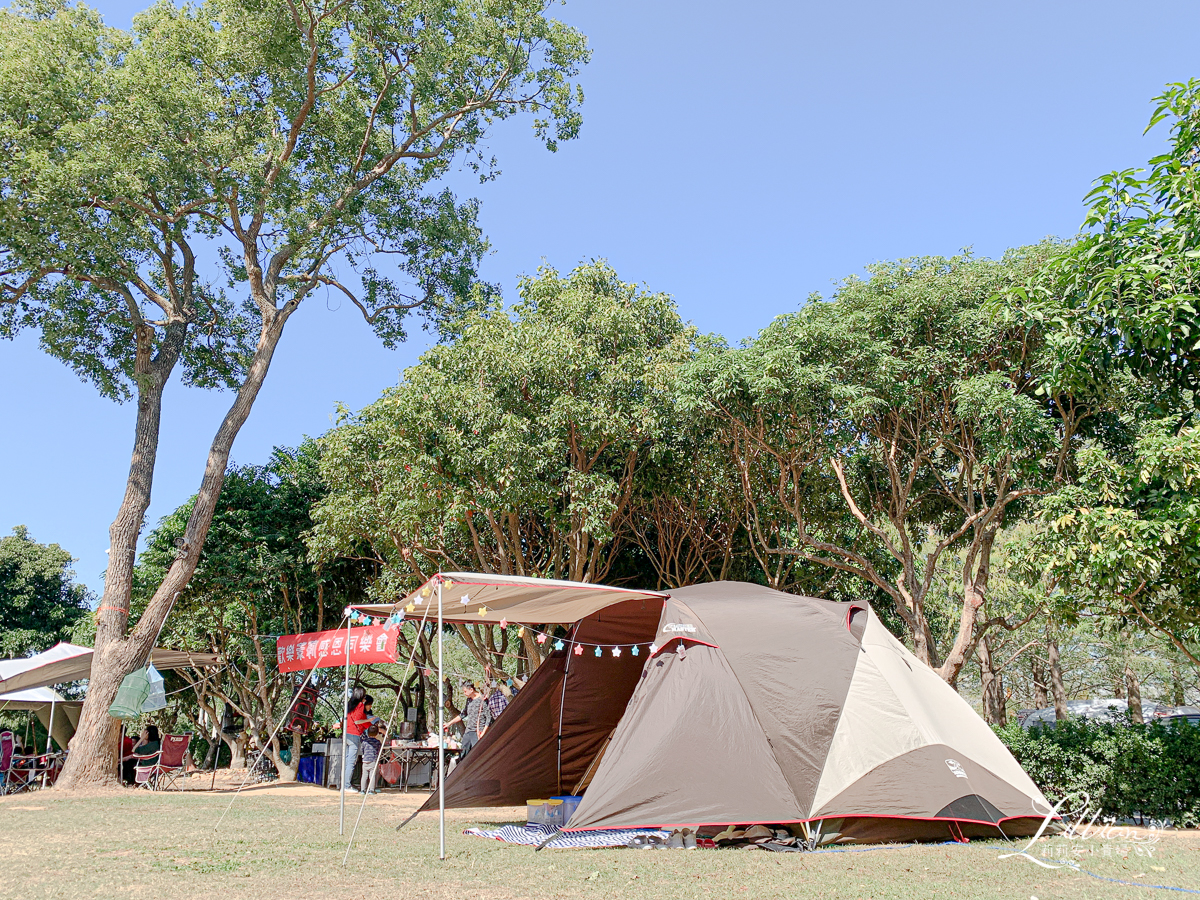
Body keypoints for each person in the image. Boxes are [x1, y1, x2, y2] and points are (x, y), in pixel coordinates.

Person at [443, 682, 491, 761]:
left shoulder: (483, 700)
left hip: (478, 732)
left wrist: (483, 732)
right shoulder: (469, 700)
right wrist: (449, 723)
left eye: (465, 691)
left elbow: (489, 718)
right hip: (468, 731)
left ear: (471, 690)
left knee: (476, 756)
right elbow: (463, 714)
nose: (464, 693)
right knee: (463, 754)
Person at [342, 692, 373, 793]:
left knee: (347, 761)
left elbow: (365, 723)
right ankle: (346, 785)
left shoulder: (351, 706)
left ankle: (344, 783)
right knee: (351, 761)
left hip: (346, 734)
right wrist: (372, 719)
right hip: (354, 735)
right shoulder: (360, 705)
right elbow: (358, 721)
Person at [359, 724, 383, 793]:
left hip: (365, 760)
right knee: (372, 776)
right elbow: (379, 750)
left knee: (364, 775)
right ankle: (371, 790)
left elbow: (362, 749)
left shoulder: (364, 742)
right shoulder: (377, 742)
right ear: (377, 733)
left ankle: (362, 790)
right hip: (373, 760)